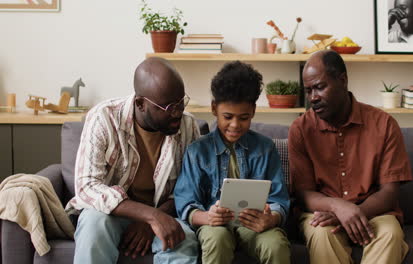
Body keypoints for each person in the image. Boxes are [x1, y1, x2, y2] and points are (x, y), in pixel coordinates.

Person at [66, 57, 200, 264]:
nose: (178, 113)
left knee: (185, 239)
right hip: (110, 214)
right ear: (140, 103)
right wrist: (149, 216)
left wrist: (153, 219)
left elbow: (189, 189)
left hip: (163, 214)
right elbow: (87, 186)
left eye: (181, 103)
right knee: (93, 224)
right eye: (168, 107)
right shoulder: (104, 118)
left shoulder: (188, 126)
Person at [289, 50, 412, 264]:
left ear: (342, 80)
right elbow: (303, 193)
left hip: (375, 212)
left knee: (390, 235)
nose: (313, 98)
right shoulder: (301, 129)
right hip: (322, 214)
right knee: (321, 234)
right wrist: (338, 207)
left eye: (320, 87)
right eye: (308, 90)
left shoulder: (383, 124)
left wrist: (355, 212)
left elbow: (390, 191)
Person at [174, 61, 291, 264]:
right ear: (213, 109)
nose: (235, 125)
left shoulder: (266, 148)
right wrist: (207, 217)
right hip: (214, 226)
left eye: (244, 118)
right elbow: (185, 203)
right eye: (227, 117)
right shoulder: (197, 151)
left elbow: (279, 200)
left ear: (253, 111)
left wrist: (271, 218)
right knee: (216, 239)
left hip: (254, 225)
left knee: (275, 244)